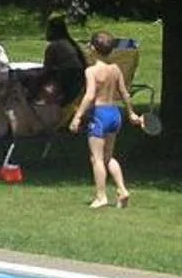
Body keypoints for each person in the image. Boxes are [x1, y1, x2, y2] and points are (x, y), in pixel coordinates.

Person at [69, 31, 134, 208]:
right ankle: (122, 190)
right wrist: (131, 113)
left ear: (93, 48)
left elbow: (89, 96)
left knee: (96, 158)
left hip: (100, 115)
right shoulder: (115, 69)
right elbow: (125, 94)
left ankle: (101, 196)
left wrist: (77, 116)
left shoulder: (91, 71)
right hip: (114, 113)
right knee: (108, 156)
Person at [38, 17, 85, 110]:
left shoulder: (54, 46)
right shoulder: (71, 43)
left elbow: (47, 69)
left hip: (67, 80)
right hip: (79, 80)